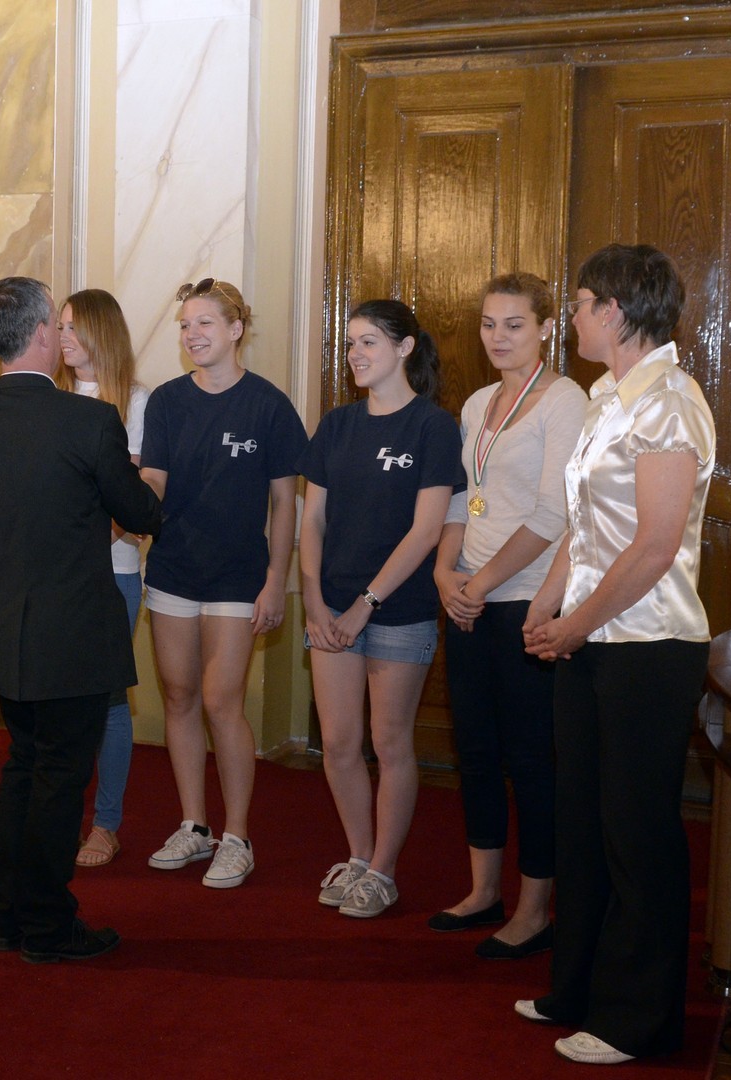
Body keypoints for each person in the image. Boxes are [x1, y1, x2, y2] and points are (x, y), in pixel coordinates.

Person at [516, 245, 715, 1066]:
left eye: (580, 302)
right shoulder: (607, 397)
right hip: (594, 639)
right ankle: (579, 989)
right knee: (584, 824)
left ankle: (638, 1021)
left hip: (648, 647)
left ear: (617, 310)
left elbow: (655, 547)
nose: (571, 316)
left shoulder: (670, 401)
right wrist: (547, 599)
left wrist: (575, 624)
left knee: (637, 834)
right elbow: (588, 522)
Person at [0, 276, 162, 964]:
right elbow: (141, 514)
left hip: (4, 632)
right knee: (60, 779)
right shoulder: (89, 421)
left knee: (24, 769)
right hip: (76, 634)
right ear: (40, 334)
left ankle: (6, 913)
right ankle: (46, 924)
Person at [429, 273, 585, 957]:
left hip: (526, 600)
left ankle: (534, 909)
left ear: (547, 327)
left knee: (530, 758)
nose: (498, 337)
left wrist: (481, 584)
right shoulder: (478, 402)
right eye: (489, 324)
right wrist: (446, 572)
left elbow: (554, 515)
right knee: (477, 749)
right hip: (470, 596)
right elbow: (463, 498)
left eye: (514, 324)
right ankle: (483, 891)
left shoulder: (566, 402)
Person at [299, 299, 464, 918]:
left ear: (405, 347)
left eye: (368, 341)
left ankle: (384, 870)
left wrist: (365, 603)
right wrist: (315, 600)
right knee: (340, 743)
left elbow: (426, 531)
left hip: (398, 610)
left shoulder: (433, 427)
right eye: (350, 343)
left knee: (389, 742)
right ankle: (359, 856)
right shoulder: (337, 425)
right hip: (331, 608)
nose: (355, 354)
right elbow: (312, 521)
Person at [139, 279, 306, 886]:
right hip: (173, 570)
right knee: (179, 697)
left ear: (236, 329)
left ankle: (237, 836)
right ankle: (195, 825)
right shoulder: (166, 401)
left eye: (205, 323)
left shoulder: (269, 405)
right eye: (185, 325)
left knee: (220, 701)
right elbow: (152, 483)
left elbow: (285, 503)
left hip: (239, 577)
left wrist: (276, 580)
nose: (193, 335)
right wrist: (117, 497)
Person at [53, 289, 151, 870]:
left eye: (73, 327)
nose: (63, 337)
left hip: (112, 573)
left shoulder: (135, 403)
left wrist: (78, 542)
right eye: (60, 327)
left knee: (110, 702)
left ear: (101, 332)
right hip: (55, 574)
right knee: (59, 703)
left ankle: (106, 824)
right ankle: (62, 815)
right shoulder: (52, 397)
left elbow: (128, 501)